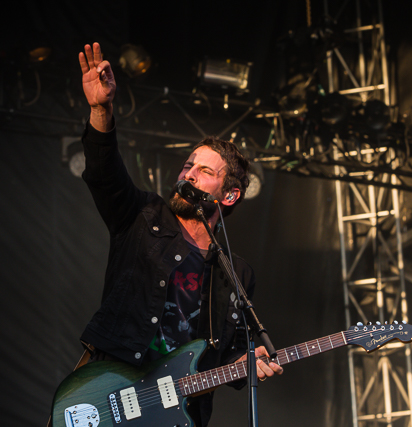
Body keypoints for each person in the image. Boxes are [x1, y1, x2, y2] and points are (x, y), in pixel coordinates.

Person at [77, 42, 283, 426]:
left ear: (230, 195)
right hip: (112, 395)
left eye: (204, 171)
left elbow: (230, 356)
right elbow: (103, 173)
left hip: (177, 413)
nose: (188, 174)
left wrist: (248, 362)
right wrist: (100, 110)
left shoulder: (236, 274)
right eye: (188, 165)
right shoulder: (142, 217)